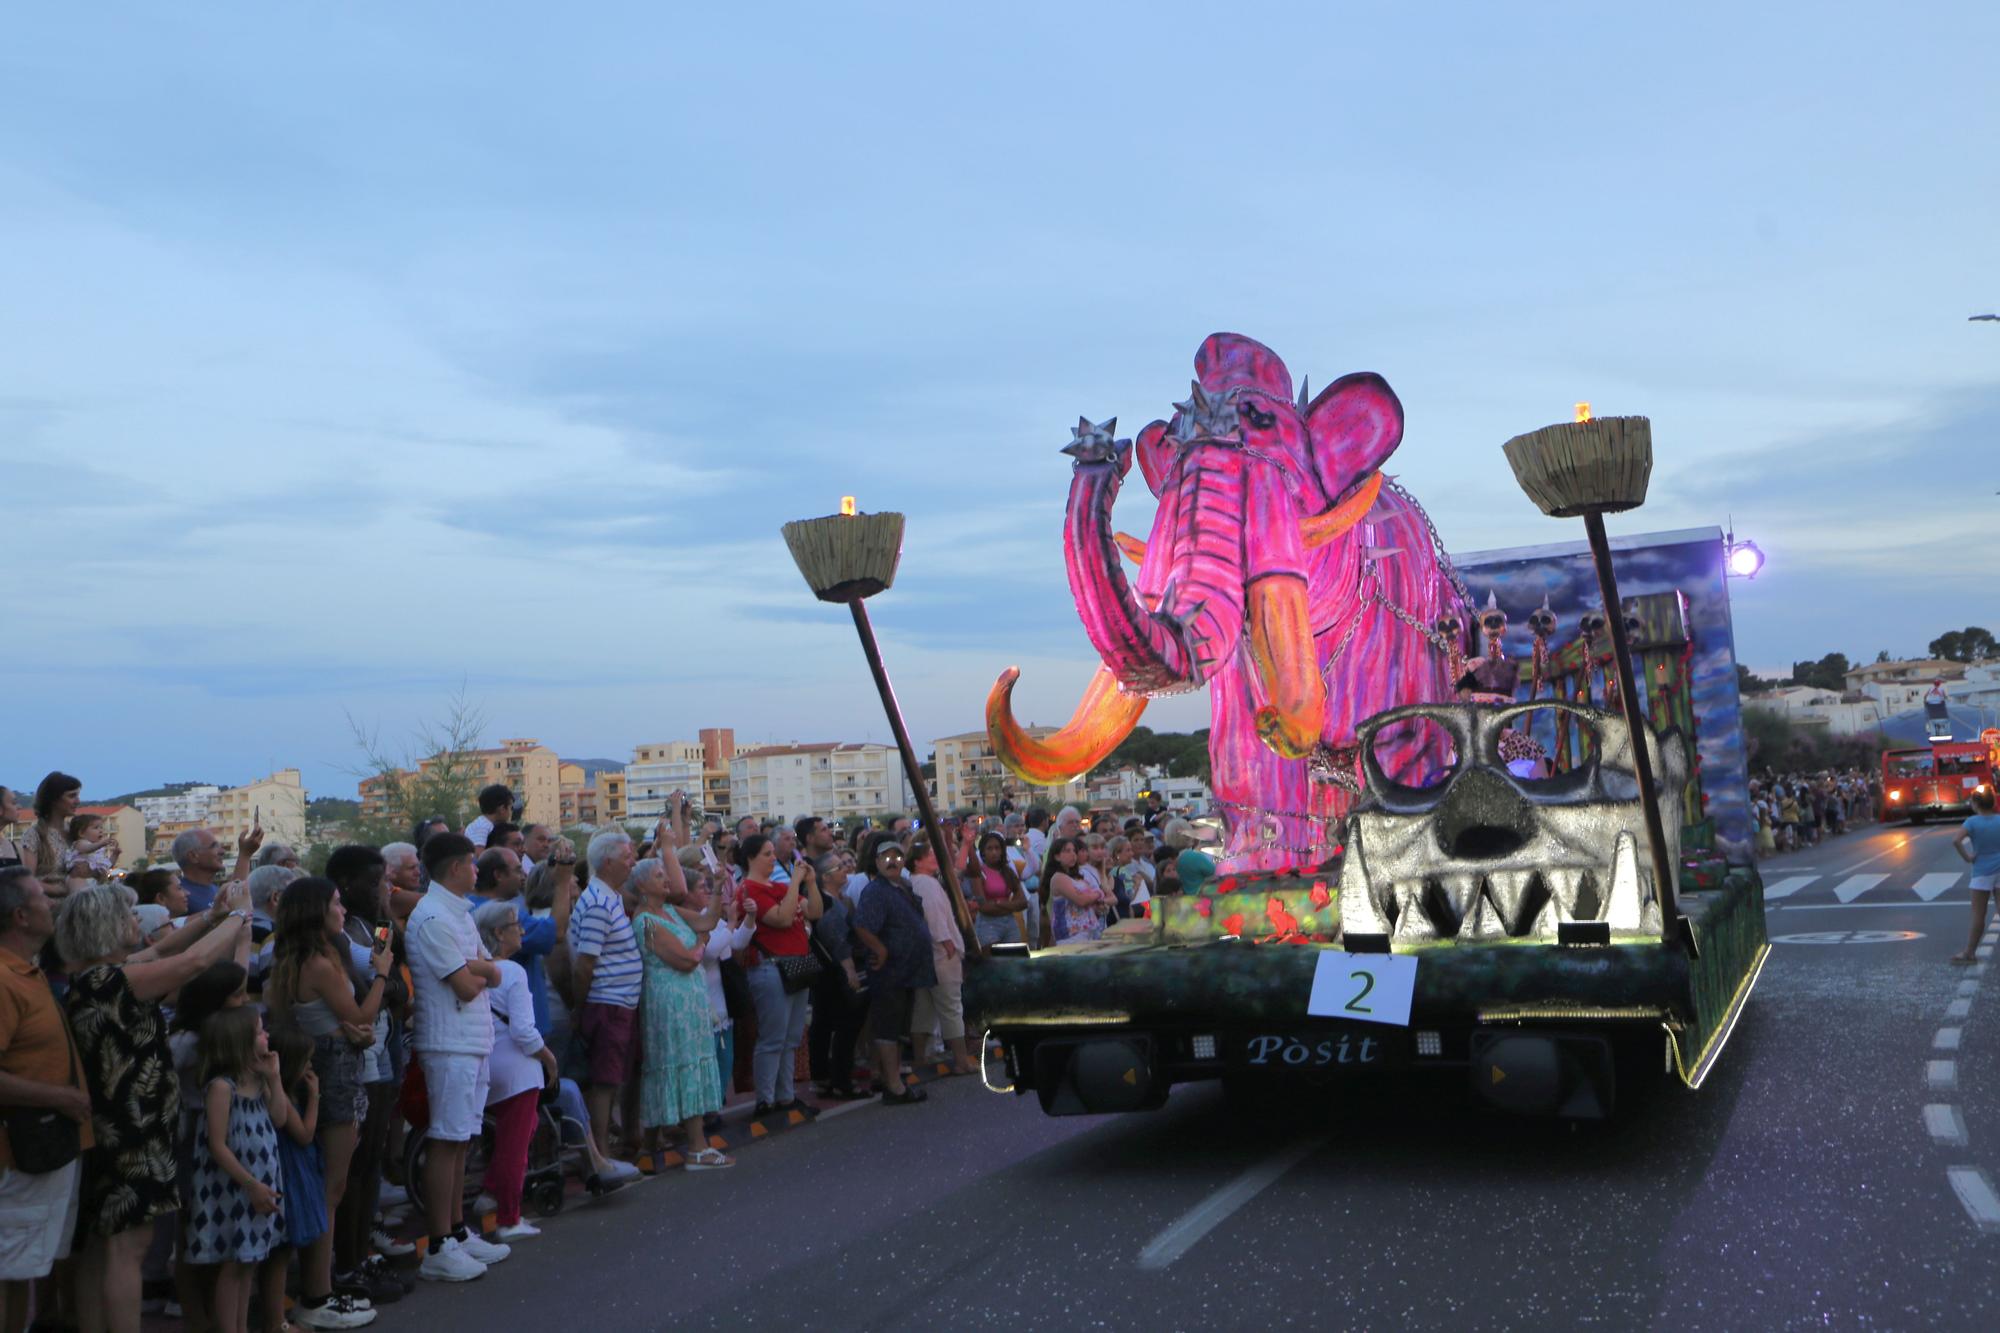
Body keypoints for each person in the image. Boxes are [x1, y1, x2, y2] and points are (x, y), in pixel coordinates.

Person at [57, 881, 250, 1333]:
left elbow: (162, 953)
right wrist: (241, 916)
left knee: (106, 1245)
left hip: (118, 1125)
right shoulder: (112, 981)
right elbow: (193, 963)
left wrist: (213, 915)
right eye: (126, 917)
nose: (135, 924)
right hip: (131, 1129)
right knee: (129, 1246)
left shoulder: (96, 977)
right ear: (105, 927)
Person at [261, 878, 397, 1321]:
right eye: (336, 903)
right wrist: (381, 973)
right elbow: (360, 1014)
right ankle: (318, 1294)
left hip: (323, 1064)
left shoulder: (291, 957)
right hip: (336, 1074)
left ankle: (321, 1285)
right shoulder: (321, 961)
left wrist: (352, 1029)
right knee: (331, 1189)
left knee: (326, 1183)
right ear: (317, 911)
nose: (342, 909)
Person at [405, 833, 509, 1282]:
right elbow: (466, 985)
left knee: (462, 1138)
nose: (477, 871)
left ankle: (457, 1231)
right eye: (471, 863)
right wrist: (478, 969)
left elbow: (493, 970)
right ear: (453, 868)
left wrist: (477, 967)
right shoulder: (431, 918)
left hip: (472, 1038)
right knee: (445, 1141)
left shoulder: (458, 914)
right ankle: (439, 1242)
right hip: (448, 1042)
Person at [0, 867, 92, 1333]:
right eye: (42, 898)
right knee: (9, 1272)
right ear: (20, 915)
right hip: (18, 1153)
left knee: (22, 1269)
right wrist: (58, 1096)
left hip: (40, 1147)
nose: (51, 904)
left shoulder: (25, 971)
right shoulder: (3, 979)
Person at [321, 845, 408, 1287]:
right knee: (355, 1166)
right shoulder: (338, 934)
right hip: (358, 1052)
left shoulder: (370, 924)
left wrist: (386, 914)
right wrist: (385, 983)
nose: (384, 888)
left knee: (371, 1160)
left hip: (383, 1046)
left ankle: (362, 1250)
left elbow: (394, 974)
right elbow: (367, 989)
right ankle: (347, 1260)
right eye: (377, 882)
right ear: (346, 885)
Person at [185, 1007, 291, 1333]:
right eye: (260, 1031)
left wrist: (274, 1076)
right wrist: (251, 1185)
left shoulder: (258, 1080)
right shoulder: (222, 1088)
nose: (267, 1036)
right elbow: (217, 1145)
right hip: (234, 1189)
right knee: (234, 1265)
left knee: (250, 1263)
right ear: (240, 1042)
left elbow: (280, 1118)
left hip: (259, 1187)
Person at [631, 863, 731, 1169]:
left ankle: (649, 1146)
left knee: (676, 1063)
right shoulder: (646, 921)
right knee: (678, 1062)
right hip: (669, 999)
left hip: (688, 997)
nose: (665, 879)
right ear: (641, 887)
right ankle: (697, 1147)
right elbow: (686, 959)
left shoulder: (671, 911)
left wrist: (716, 888)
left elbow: (708, 920)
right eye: (658, 875)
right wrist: (700, 944)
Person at [470, 901, 558, 1240]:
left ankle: (492, 1190)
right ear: (497, 933)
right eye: (514, 924)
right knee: (514, 1146)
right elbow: (523, 1030)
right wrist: (548, 1057)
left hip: (487, 1060)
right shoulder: (514, 972)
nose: (521, 930)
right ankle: (509, 1216)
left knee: (518, 1131)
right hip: (517, 1067)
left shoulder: (474, 970)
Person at [568, 831, 643, 1162]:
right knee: (604, 1082)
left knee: (612, 1080)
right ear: (608, 862)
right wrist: (581, 1007)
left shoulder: (609, 895)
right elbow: (585, 964)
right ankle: (600, 1152)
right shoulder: (599, 902)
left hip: (618, 1002)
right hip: (607, 1003)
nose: (634, 863)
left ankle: (605, 1148)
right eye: (628, 857)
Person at [736, 833, 822, 1119]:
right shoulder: (749, 889)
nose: (773, 858)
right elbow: (783, 919)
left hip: (794, 966)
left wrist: (810, 882)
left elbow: (815, 911)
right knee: (773, 1038)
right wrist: (796, 882)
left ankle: (785, 1096)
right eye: (767, 854)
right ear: (751, 858)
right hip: (770, 968)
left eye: (773, 853)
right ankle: (766, 1099)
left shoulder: (777, 886)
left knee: (791, 1037)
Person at [849, 842, 934, 1104]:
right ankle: (894, 1086)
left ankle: (893, 1079)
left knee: (898, 1029)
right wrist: (880, 949)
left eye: (897, 856)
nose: (892, 861)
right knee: (887, 1028)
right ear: (876, 862)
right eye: (885, 857)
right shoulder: (876, 891)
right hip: (890, 971)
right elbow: (862, 926)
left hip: (908, 970)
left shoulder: (902, 888)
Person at [266, 1027, 331, 1333]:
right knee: (279, 1254)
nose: (310, 1067)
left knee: (280, 1253)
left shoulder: (286, 1092)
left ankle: (277, 1319)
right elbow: (304, 1134)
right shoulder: (285, 1098)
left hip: (292, 1169)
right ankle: (276, 1321)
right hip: (289, 1172)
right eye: (305, 1062)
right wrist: (315, 1096)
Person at [905, 838, 974, 1075]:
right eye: (930, 854)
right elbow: (933, 916)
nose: (936, 857)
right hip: (942, 953)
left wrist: (965, 845)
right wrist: (948, 944)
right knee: (951, 1007)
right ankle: (962, 1060)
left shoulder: (919, 882)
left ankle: (920, 1058)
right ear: (917, 861)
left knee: (923, 1009)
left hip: (928, 955)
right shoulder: (926, 884)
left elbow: (955, 872)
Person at [806, 854, 868, 1101]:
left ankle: (828, 1077)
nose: (845, 870)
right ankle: (840, 1080)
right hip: (835, 975)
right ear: (825, 877)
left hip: (834, 973)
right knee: (844, 1027)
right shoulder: (826, 904)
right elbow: (838, 942)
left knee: (830, 1026)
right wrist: (851, 971)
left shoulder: (840, 899)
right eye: (838, 867)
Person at [1951, 787, 2000, 964]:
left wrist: (1968, 857)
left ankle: (1970, 953)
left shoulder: (1971, 822)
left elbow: (1956, 841)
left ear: (1976, 804)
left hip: (1981, 872)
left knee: (1979, 915)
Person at [172, 826, 261, 918]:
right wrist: (244, 855)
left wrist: (245, 854)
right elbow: (229, 915)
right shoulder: (180, 896)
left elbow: (233, 902)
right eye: (214, 846)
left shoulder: (216, 890)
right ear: (193, 856)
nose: (223, 851)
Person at [961, 829, 1028, 949]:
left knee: (1014, 961)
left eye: (997, 848)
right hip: (988, 925)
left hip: (1010, 923)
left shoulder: (1008, 872)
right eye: (990, 849)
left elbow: (1023, 902)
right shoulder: (979, 873)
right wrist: (1011, 905)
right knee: (992, 964)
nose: (994, 852)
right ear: (983, 852)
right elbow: (984, 907)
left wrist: (998, 903)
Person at [1042, 837, 1105, 947]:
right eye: (1067, 851)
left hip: (1088, 930)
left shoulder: (1078, 877)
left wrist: (1096, 902)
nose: (1073, 855)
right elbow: (1081, 900)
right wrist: (1098, 894)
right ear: (1057, 856)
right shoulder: (1058, 878)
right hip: (1071, 934)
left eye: (1074, 851)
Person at [31, 774, 83, 899]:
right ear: (54, 800)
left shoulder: (76, 832)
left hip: (81, 907)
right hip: (50, 909)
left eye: (78, 795)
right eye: (72, 796)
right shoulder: (34, 835)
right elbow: (27, 880)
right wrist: (59, 890)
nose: (78, 801)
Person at [62, 815, 118, 883]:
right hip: (79, 879)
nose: (101, 831)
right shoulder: (81, 843)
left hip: (93, 881)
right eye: (96, 828)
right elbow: (88, 849)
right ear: (81, 833)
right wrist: (101, 844)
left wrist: (115, 854)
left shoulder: (98, 851)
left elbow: (107, 865)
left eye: (101, 827)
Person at [465, 785, 514, 851]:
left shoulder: (486, 825)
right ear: (502, 809)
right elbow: (478, 856)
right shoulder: (481, 827)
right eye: (511, 807)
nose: (511, 811)